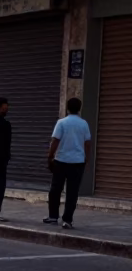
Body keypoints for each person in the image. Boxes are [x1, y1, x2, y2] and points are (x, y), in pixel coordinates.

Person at [44, 97, 92, 230]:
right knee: (72, 192)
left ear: (67, 108)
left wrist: (50, 156)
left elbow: (55, 141)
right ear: (79, 109)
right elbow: (87, 143)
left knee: (55, 190)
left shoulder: (61, 123)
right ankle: (68, 220)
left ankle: (53, 216)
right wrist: (86, 158)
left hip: (61, 161)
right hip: (77, 163)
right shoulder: (84, 124)